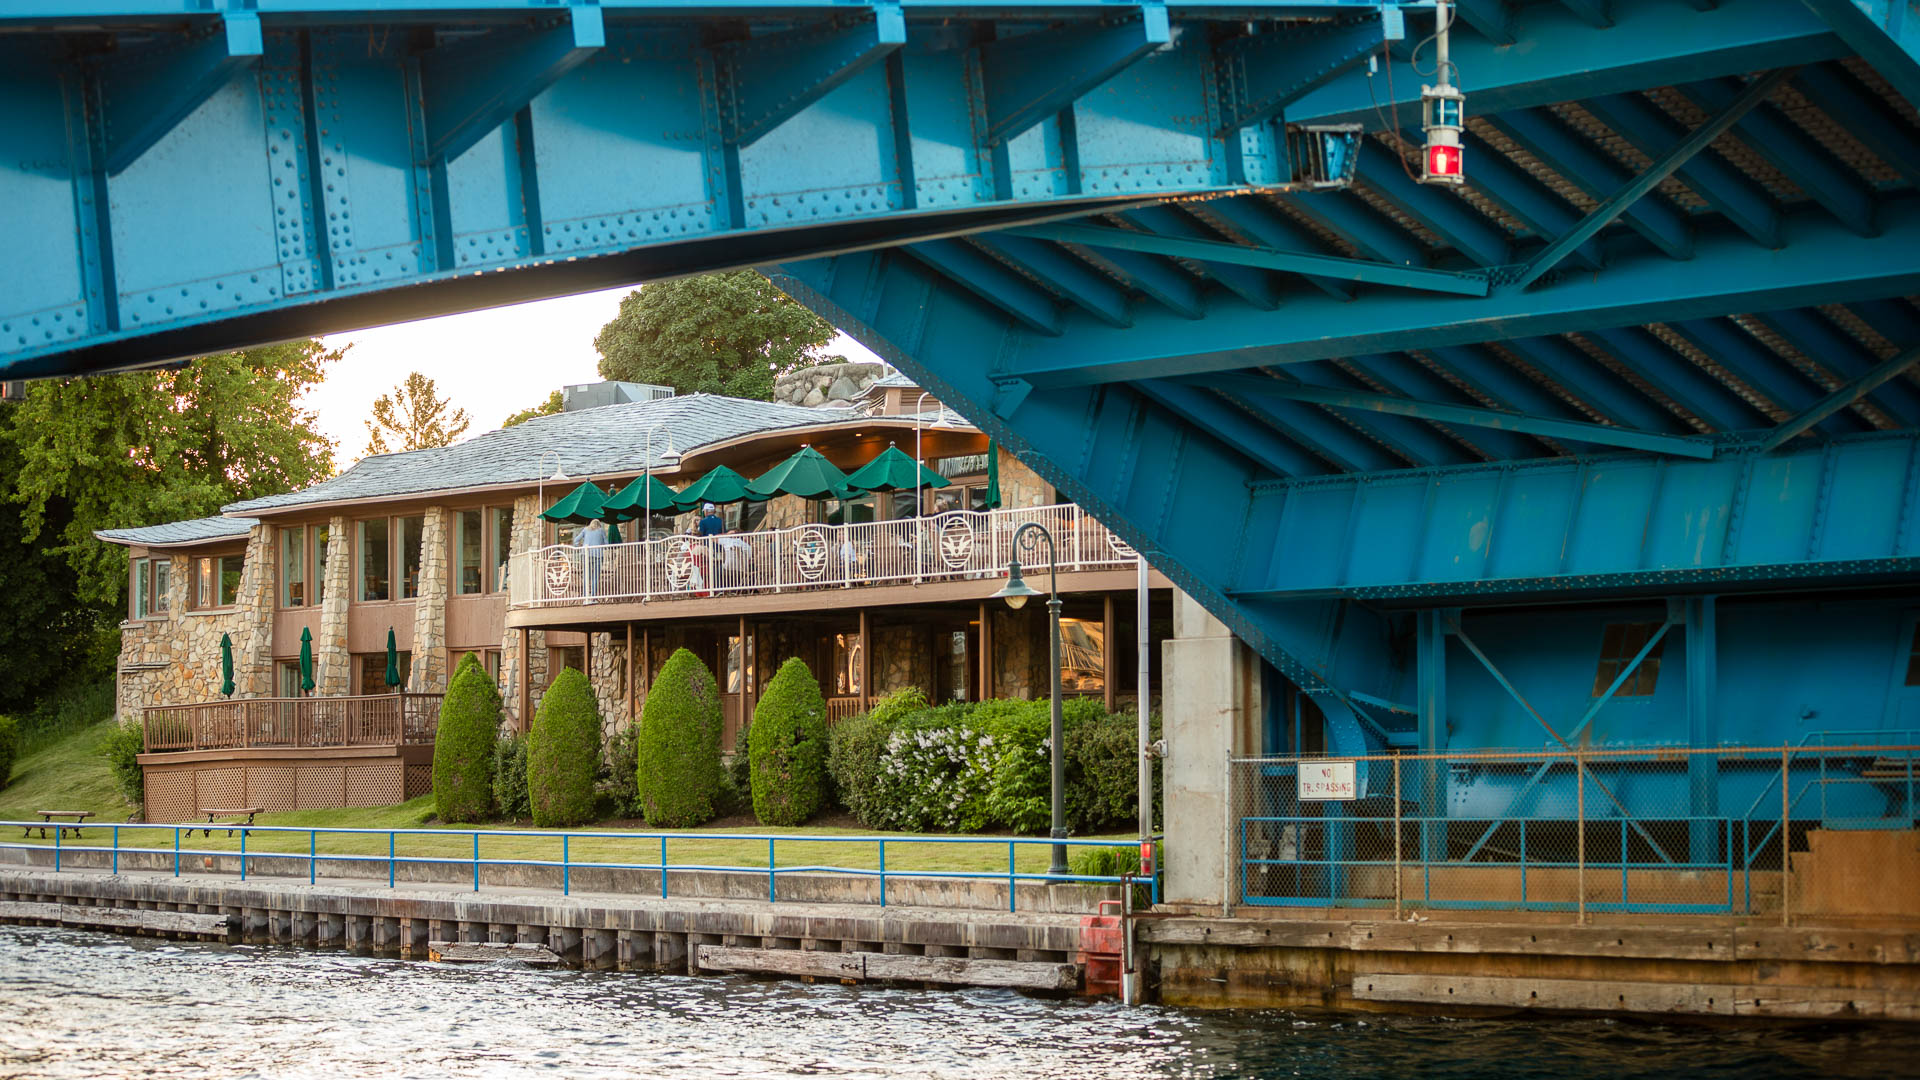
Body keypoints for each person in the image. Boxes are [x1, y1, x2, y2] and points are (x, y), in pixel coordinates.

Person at [578, 518, 608, 599]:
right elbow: (606, 544)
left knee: (586, 575)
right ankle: (593, 596)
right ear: (599, 525)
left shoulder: (585, 530)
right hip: (598, 555)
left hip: (585, 555)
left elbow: (575, 540)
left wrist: (580, 546)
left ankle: (585, 595)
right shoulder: (601, 531)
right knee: (595, 576)